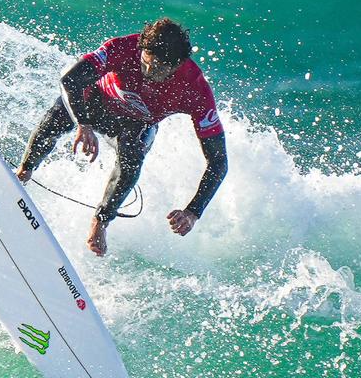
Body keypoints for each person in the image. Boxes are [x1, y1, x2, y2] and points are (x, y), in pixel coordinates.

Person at [16, 17, 228, 256]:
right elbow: (70, 80)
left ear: (176, 65)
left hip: (135, 124)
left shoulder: (195, 90)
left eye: (157, 69)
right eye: (145, 63)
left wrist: (192, 212)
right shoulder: (122, 47)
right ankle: (23, 172)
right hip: (96, 100)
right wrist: (83, 124)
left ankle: (101, 222)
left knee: (133, 154)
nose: (147, 73)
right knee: (60, 113)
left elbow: (218, 161)